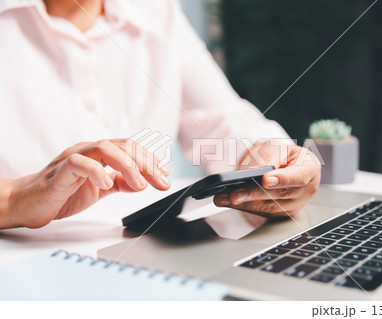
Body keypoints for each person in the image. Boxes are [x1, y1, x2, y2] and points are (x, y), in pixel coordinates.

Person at [0, 0, 321, 229]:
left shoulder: (157, 10)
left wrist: (272, 160)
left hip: (147, 253)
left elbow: (223, 123)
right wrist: (14, 198)